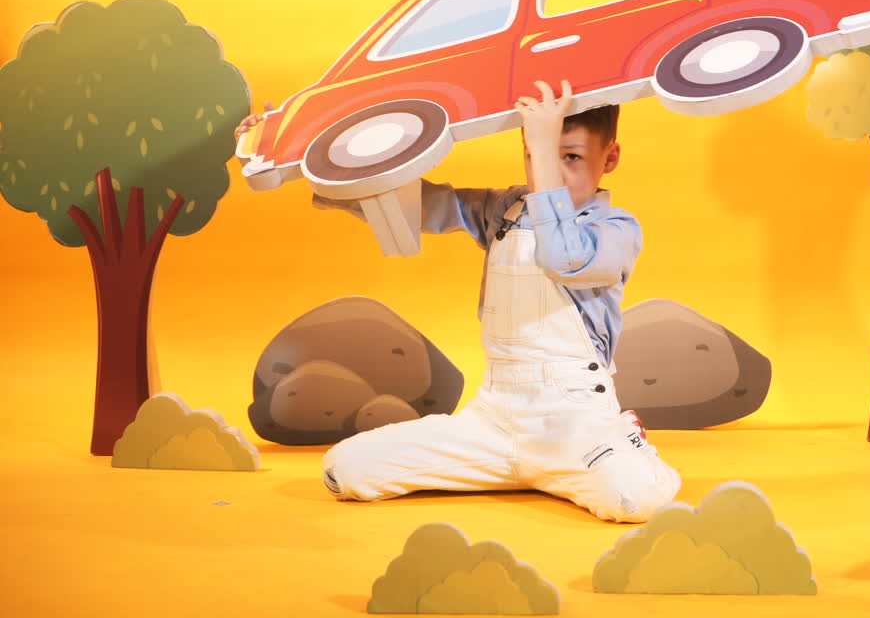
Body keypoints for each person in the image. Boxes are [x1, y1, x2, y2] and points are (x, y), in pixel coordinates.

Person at [236, 81, 680, 522]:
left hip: (573, 422)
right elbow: (415, 204)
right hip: (496, 419)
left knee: (634, 500)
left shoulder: (617, 230)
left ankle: (620, 439)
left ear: (611, 157)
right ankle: (519, 468)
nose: (548, 170)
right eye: (534, 154)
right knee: (342, 471)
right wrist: (294, 152)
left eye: (570, 157)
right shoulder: (503, 210)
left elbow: (563, 255)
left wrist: (543, 144)